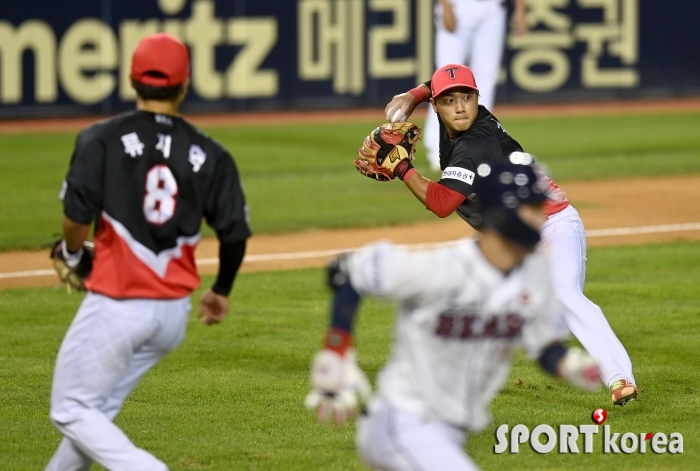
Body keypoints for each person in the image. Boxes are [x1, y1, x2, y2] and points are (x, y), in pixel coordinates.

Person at [305, 159, 601, 470]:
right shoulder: (442, 270)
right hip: (401, 421)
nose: (542, 219)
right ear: (502, 212)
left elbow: (543, 345)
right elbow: (347, 272)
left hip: (450, 433)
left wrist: (567, 365)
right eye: (532, 208)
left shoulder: (536, 274)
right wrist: (336, 349)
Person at [45, 33, 251, 471]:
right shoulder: (211, 153)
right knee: (94, 413)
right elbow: (234, 233)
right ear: (185, 84)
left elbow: (76, 217)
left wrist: (72, 253)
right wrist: (221, 291)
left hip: (119, 303)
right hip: (173, 313)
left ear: (131, 80)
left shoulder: (100, 139)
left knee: (70, 409)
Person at [380, 63, 638, 406]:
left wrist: (402, 168)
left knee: (563, 292)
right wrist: (414, 95)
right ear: (437, 106)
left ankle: (619, 376)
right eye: (449, 100)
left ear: (477, 99)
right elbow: (441, 84)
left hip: (552, 226)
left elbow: (442, 203)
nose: (459, 106)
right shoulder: (459, 122)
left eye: (467, 98)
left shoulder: (476, 142)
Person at [422, 0, 529, 170]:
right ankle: (439, 149)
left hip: (493, 7)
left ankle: (478, 146)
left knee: (485, 81)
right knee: (445, 80)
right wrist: (444, 5)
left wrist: (520, 9)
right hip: (458, 5)